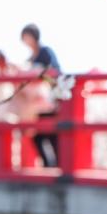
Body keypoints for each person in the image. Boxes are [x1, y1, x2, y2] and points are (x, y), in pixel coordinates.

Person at [21, 23, 61, 167]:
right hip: (35, 104)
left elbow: (55, 72)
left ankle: (57, 165)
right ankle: (48, 165)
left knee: (51, 134)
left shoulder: (45, 52)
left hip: (48, 101)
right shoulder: (30, 58)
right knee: (37, 135)